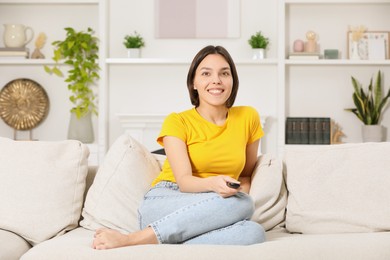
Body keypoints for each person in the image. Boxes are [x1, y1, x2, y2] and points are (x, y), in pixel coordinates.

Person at [93, 45, 266, 249]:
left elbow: (245, 176)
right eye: (206, 73)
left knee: (254, 232)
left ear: (232, 80)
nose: (216, 80)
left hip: (215, 204)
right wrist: (217, 187)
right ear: (194, 82)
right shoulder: (177, 121)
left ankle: (165, 238)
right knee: (244, 205)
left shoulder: (248, 117)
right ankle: (132, 239)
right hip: (167, 198)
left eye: (224, 73)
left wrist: (236, 195)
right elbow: (184, 182)